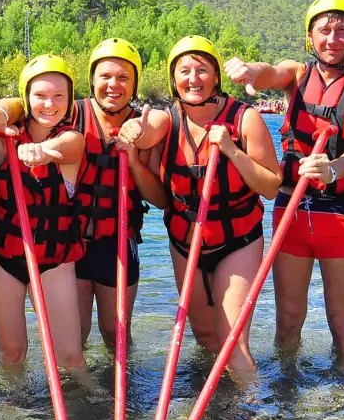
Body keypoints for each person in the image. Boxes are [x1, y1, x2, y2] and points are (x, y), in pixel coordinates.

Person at [223, 0, 344, 364]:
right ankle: (286, 392)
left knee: (341, 320)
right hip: (292, 211)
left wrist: (333, 169)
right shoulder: (296, 74)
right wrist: (249, 70)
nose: (333, 39)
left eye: (343, 31)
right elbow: (268, 72)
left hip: (341, 214)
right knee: (287, 320)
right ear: (310, 38)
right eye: (324, 30)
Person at [0, 38, 166, 349]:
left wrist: (135, 146)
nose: (113, 85)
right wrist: (2, 110)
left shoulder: (147, 121)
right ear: (92, 80)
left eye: (123, 78)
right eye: (105, 76)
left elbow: (160, 195)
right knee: (74, 338)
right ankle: (75, 395)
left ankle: (122, 391)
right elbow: (23, 104)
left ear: (134, 84)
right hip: (71, 241)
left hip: (117, 242)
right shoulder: (69, 112)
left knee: (115, 335)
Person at [119, 36, 281, 377]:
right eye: (184, 71)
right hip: (185, 241)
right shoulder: (168, 120)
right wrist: (134, 129)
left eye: (202, 70)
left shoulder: (245, 119)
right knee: (206, 337)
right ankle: (216, 413)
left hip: (238, 241)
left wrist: (233, 151)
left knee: (231, 341)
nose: (193, 79)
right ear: (174, 79)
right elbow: (147, 133)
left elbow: (270, 187)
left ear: (216, 77)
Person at [0, 54, 88, 370]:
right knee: (11, 354)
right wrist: (3, 109)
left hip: (54, 261)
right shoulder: (5, 138)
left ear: (69, 102)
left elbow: (67, 146)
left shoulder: (73, 139)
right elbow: (8, 106)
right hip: (3, 260)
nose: (49, 104)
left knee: (70, 357)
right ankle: (14, 410)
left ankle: (88, 407)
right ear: (27, 98)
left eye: (59, 96)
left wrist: (41, 153)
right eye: (39, 95)